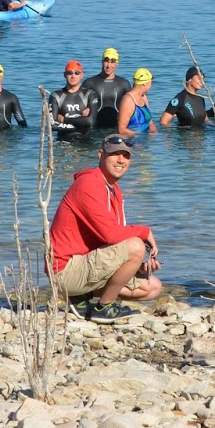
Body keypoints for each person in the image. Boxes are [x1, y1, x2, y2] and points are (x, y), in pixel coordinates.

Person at [48, 134, 162, 323]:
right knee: (135, 246)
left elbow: (112, 242)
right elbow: (110, 235)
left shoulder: (113, 189)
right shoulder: (89, 184)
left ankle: (81, 298)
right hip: (65, 271)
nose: (120, 160)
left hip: (84, 264)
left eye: (126, 156)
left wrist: (139, 268)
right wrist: (145, 232)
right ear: (101, 155)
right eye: (114, 154)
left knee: (152, 287)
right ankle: (104, 307)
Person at [49, 60, 99, 139]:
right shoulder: (56, 96)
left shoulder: (90, 94)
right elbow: (52, 125)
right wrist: (81, 123)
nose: (73, 76)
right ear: (65, 75)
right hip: (63, 143)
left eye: (77, 73)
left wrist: (63, 119)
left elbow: (90, 122)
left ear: (82, 75)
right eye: (69, 73)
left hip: (86, 144)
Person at [84, 47, 132, 128]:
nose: (109, 65)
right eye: (106, 61)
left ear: (117, 64)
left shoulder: (124, 84)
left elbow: (131, 107)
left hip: (116, 128)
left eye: (112, 62)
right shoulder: (90, 83)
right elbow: (79, 103)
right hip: (95, 128)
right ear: (102, 62)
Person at [118, 68, 156, 136]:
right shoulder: (128, 100)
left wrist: (156, 134)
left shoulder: (144, 98)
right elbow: (122, 130)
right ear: (144, 84)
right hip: (132, 142)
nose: (151, 86)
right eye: (150, 83)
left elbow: (150, 122)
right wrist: (139, 136)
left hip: (145, 142)